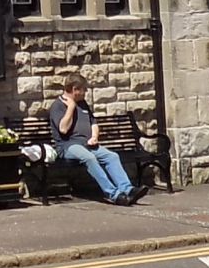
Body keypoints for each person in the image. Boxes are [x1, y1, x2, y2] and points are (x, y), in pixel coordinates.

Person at [47, 74, 146, 205]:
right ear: (75, 89)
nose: (86, 92)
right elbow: (63, 129)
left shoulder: (82, 104)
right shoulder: (58, 106)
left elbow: (93, 123)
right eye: (84, 89)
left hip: (88, 144)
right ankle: (114, 194)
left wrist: (94, 137)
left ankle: (127, 189)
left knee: (112, 156)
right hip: (69, 146)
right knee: (89, 158)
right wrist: (71, 107)